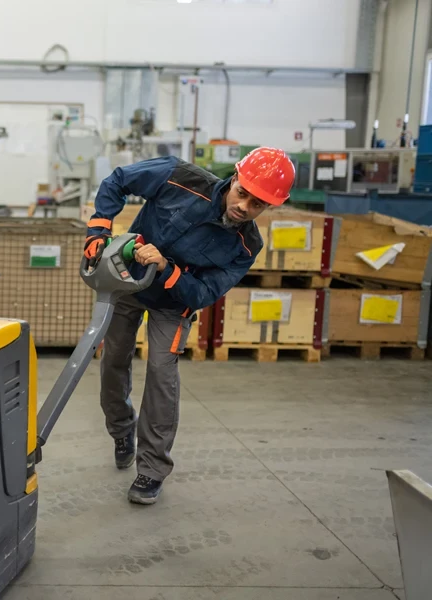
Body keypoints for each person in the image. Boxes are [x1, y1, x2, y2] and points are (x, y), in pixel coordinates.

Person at [83, 147, 295, 505]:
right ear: (235, 177)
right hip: (127, 280)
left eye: (257, 204)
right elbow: (118, 181)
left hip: (173, 302)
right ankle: (122, 431)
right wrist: (98, 229)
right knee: (114, 359)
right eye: (242, 193)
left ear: (269, 207)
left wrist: (167, 268)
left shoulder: (247, 246)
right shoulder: (178, 176)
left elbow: (204, 292)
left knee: (161, 373)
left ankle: (151, 469)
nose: (244, 206)